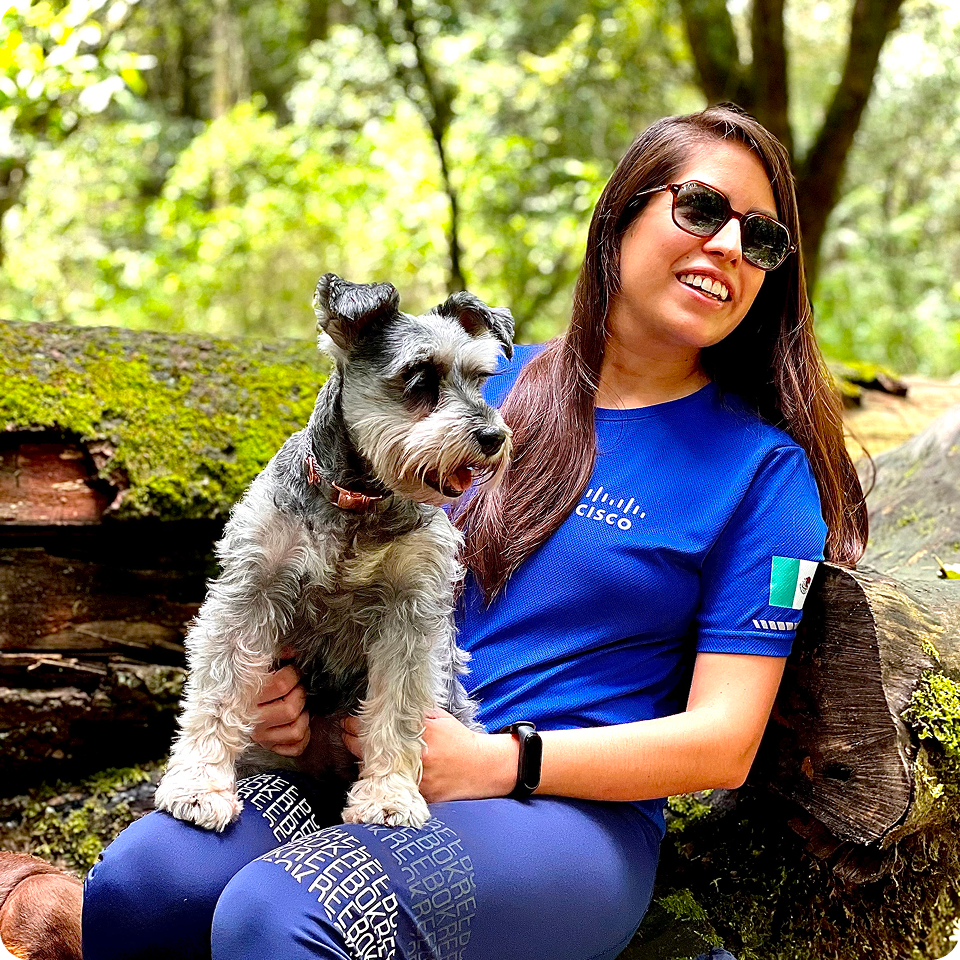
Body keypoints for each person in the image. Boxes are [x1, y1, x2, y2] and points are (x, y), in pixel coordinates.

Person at [81, 102, 867, 960]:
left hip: (559, 816)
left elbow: (724, 742)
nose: (727, 247)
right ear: (621, 215)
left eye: (760, 238)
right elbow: (313, 549)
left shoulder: (761, 472)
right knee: (142, 889)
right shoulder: (469, 383)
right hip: (358, 759)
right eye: (702, 209)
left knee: (281, 917)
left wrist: (502, 764)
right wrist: (281, 705)